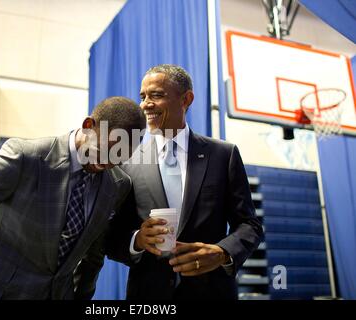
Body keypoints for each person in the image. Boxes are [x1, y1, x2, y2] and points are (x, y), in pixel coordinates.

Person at [0, 96, 147, 300]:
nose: (108, 162)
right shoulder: (25, 158)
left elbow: (93, 256)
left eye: (120, 156)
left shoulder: (117, 184)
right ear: (88, 125)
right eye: (106, 148)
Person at [106, 64, 263, 300]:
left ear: (186, 99)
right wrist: (137, 240)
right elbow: (111, 236)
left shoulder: (223, 154)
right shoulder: (127, 161)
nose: (146, 104)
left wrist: (222, 252)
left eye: (156, 95)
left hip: (212, 293)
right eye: (143, 96)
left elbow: (249, 225)